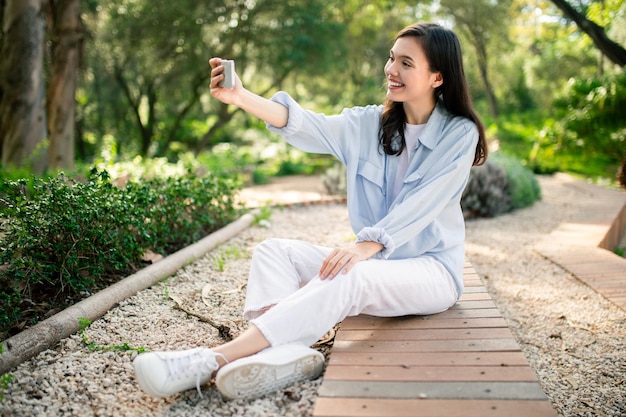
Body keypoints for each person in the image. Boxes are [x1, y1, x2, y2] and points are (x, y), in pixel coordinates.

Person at [133, 21, 488, 401]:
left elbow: (424, 202)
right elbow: (306, 125)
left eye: (406, 63)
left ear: (437, 76)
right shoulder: (371, 123)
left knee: (351, 274)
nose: (391, 70)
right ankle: (282, 356)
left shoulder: (459, 133)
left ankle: (212, 360)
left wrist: (363, 247)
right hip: (375, 261)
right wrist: (240, 96)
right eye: (391, 58)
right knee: (274, 251)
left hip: (430, 270)